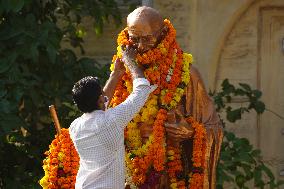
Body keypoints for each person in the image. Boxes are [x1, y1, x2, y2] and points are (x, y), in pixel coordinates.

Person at [110, 6, 223, 189]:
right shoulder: (121, 74)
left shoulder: (186, 74)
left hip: (172, 176)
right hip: (128, 175)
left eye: (147, 39)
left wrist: (191, 132)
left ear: (163, 34)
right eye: (134, 39)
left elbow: (214, 127)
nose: (140, 46)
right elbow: (102, 121)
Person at [69, 47, 156, 189]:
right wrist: (130, 61)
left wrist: (116, 74)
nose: (104, 97)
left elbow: (102, 102)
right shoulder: (112, 120)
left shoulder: (75, 127)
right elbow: (142, 89)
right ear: (99, 99)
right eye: (101, 95)